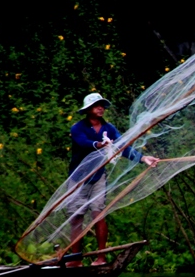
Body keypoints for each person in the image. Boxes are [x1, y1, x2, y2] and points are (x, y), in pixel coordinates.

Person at [66, 93, 158, 266]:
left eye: (102, 105)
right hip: (78, 178)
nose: (100, 108)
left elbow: (122, 146)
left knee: (99, 214)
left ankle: (101, 258)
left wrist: (143, 158)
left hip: (98, 177)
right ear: (88, 110)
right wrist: (99, 145)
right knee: (77, 217)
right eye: (96, 105)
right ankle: (75, 259)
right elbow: (83, 142)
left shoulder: (109, 128)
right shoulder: (77, 128)